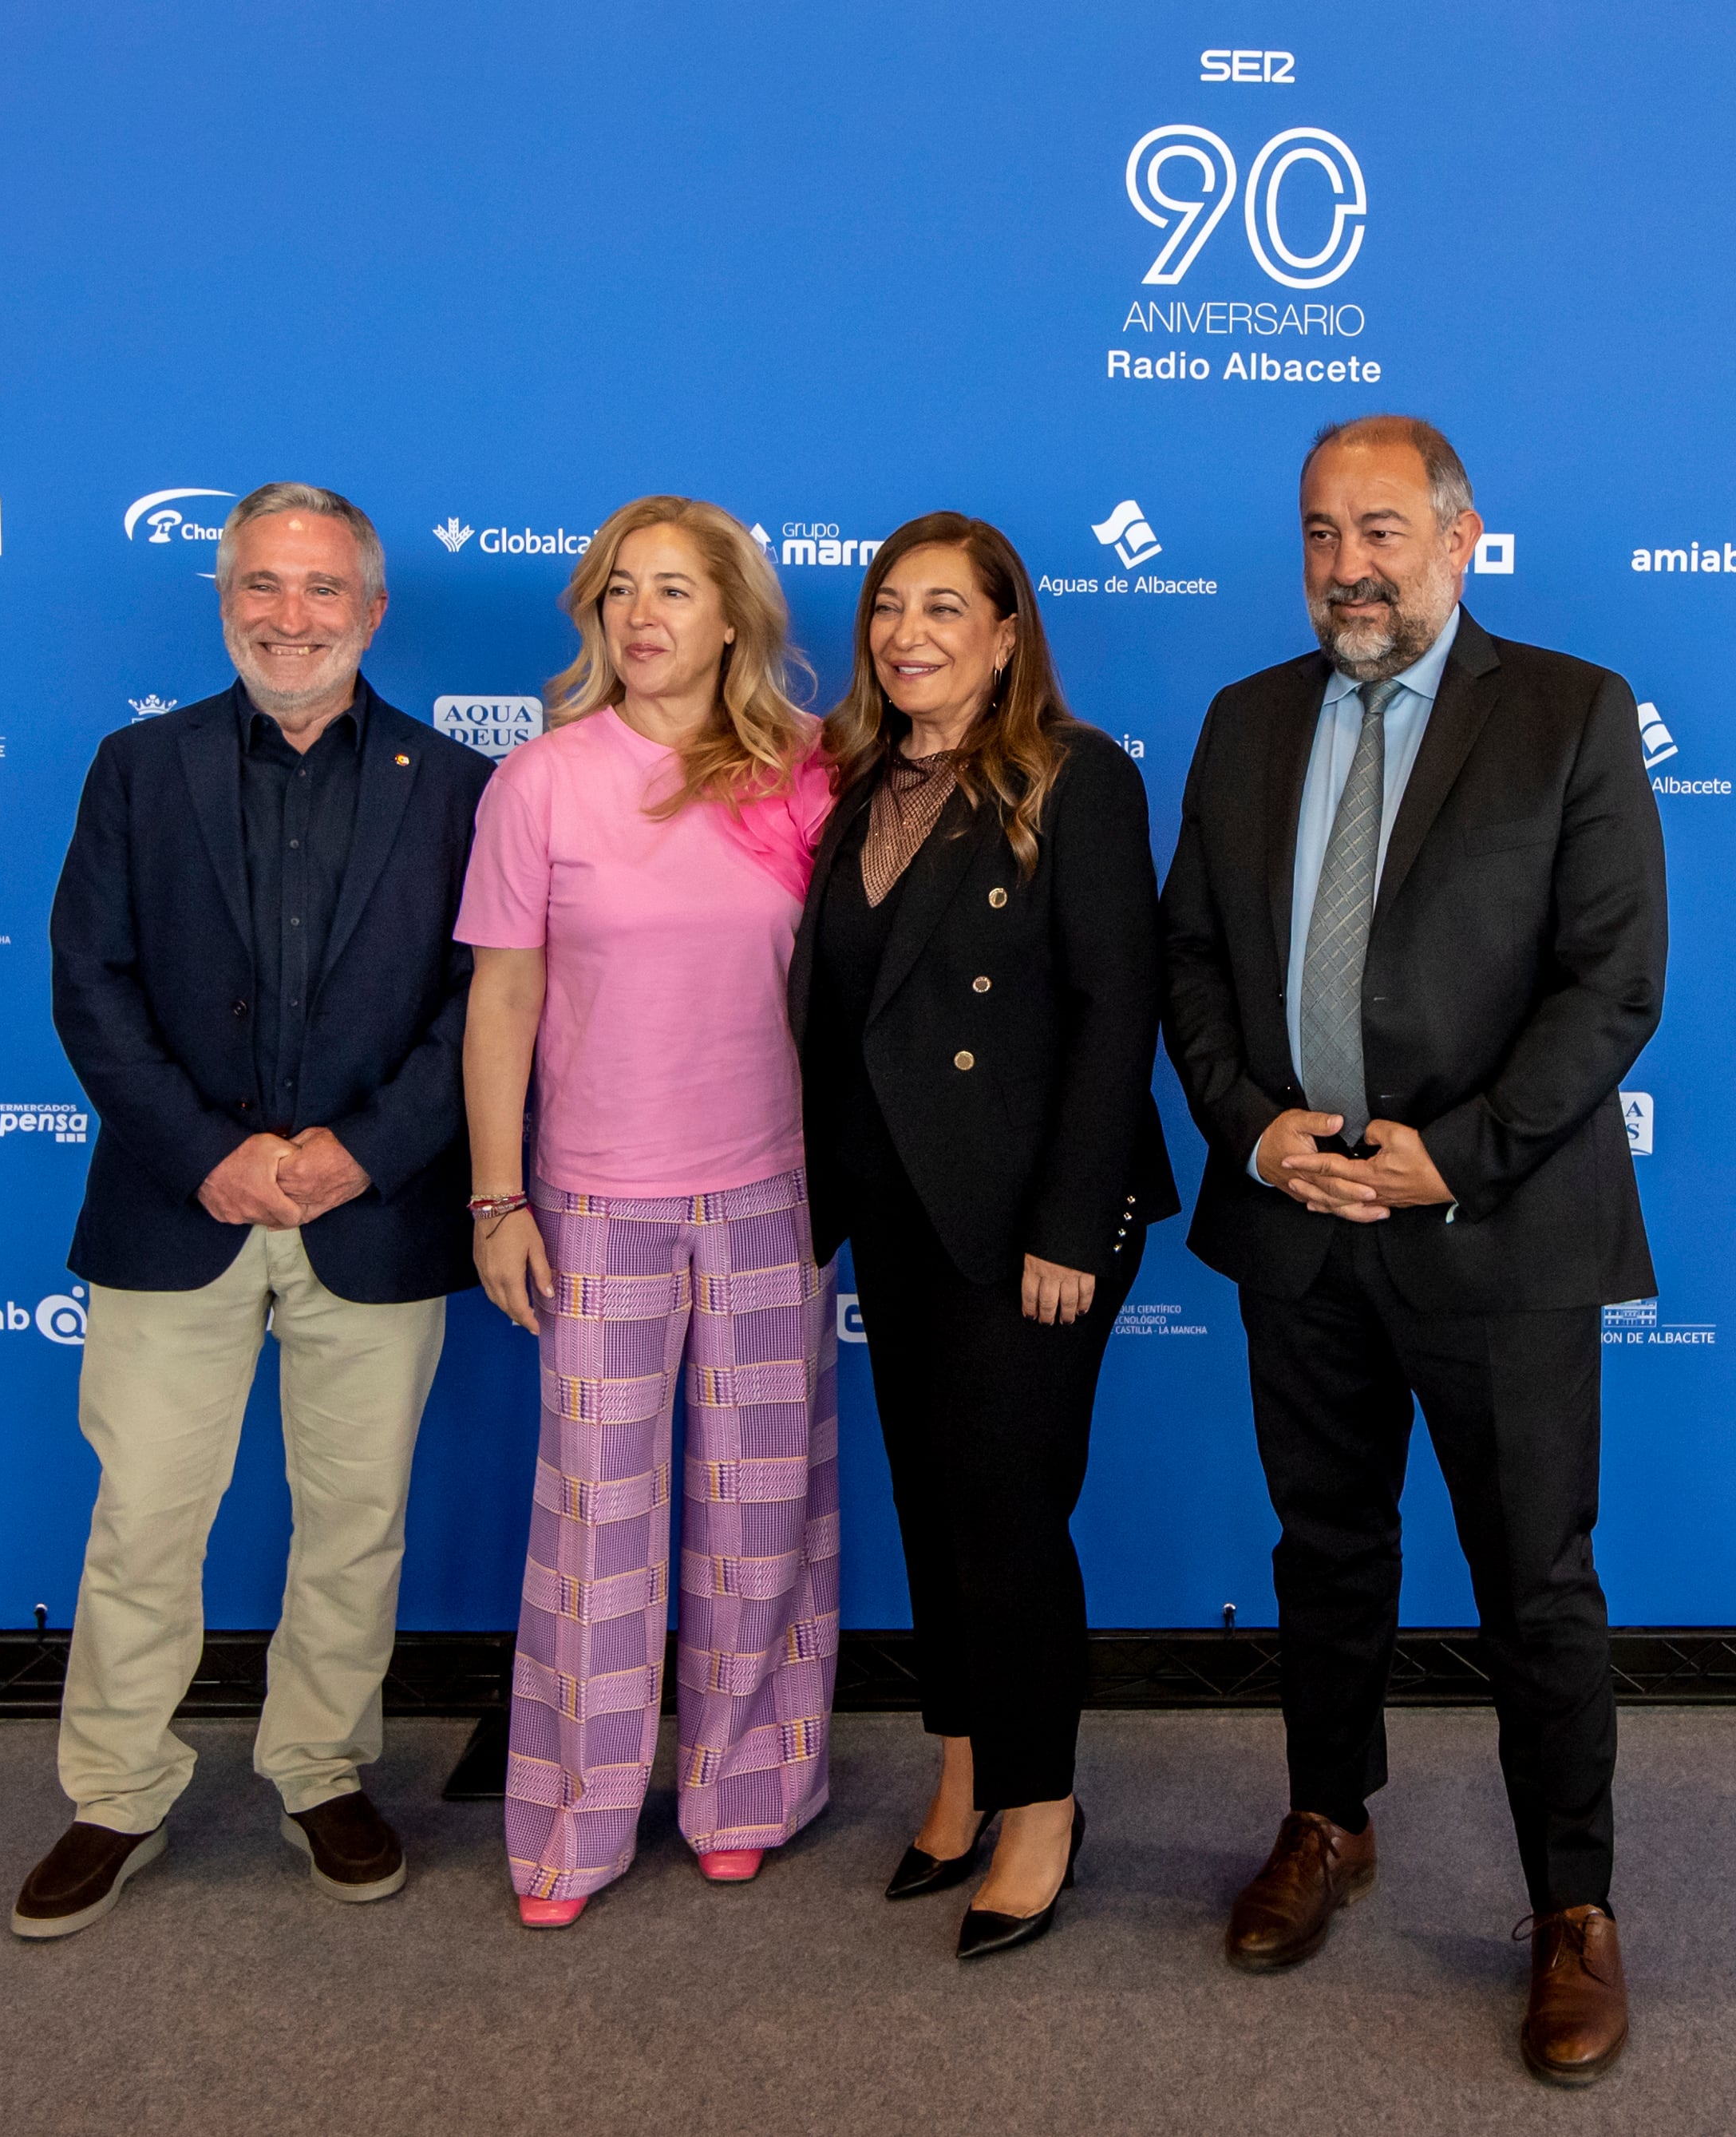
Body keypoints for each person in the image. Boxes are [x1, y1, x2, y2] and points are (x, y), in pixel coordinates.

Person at [1159, 417, 1667, 2082]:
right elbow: (1190, 967)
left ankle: (1572, 1910)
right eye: (1317, 533)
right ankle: (1329, 1817)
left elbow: (1612, 982)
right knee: (1326, 1553)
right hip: (1297, 1221)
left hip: (1498, 1232)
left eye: (1379, 530)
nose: (1345, 567)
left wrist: (1452, 1158)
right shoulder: (1242, 724)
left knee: (1535, 1584)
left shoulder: (1571, 712)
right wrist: (1254, 1126)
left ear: (1460, 538)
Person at [23, 482, 492, 1939]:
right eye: (261, 589)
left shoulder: (463, 786)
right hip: (181, 1208)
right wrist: (208, 1152)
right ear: (223, 598)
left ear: (373, 606)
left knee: (353, 1521)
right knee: (146, 1516)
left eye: (321, 590)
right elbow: (88, 984)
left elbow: (485, 1006)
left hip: (376, 1210)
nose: (290, 618)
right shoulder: (135, 767)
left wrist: (362, 1150)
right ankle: (114, 1790)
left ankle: (318, 1766)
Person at [789, 514, 1179, 1960]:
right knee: (937, 1504)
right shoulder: (855, 783)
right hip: (896, 1203)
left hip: (1037, 1218)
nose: (908, 634)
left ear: (1009, 634)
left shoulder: (1076, 778)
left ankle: (1041, 1803)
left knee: (1008, 1514)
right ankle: (961, 1757)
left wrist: (1072, 1222)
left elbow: (1112, 1012)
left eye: (945, 608)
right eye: (889, 606)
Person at [457, 496, 839, 1928]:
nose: (643, 616)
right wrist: (498, 1197)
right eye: (621, 590)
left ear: (732, 616)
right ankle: (569, 1821)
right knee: (591, 1525)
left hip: (769, 1194)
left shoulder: (806, 773)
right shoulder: (541, 782)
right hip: (593, 1199)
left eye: (675, 590)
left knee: (762, 1516)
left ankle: (746, 1789)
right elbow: (502, 995)